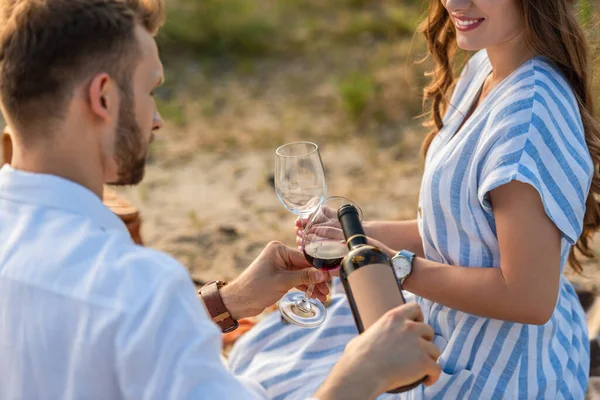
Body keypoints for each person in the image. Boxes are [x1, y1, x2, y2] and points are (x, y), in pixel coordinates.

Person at [0, 0, 443, 399]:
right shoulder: (140, 287)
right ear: (103, 98)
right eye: (150, 90)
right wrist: (362, 372)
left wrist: (228, 302)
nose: (156, 120)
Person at [230, 0, 598, 398]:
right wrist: (358, 236)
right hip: (451, 325)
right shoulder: (486, 68)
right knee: (269, 354)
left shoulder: (528, 119)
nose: (453, 2)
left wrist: (395, 267)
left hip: (491, 368)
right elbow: (464, 237)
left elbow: (529, 298)